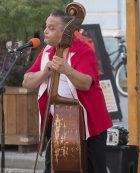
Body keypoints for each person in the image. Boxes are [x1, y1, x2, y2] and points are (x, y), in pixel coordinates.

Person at [22, 9, 112, 173]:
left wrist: (67, 69)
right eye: (46, 27)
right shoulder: (46, 52)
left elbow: (85, 83)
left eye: (51, 27)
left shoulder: (83, 50)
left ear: (65, 32)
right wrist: (44, 73)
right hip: (59, 124)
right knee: (54, 167)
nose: (45, 31)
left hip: (90, 124)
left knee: (94, 169)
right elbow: (27, 81)